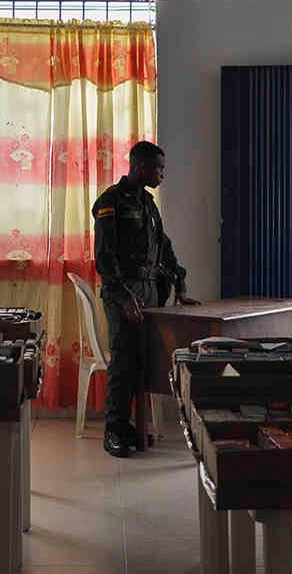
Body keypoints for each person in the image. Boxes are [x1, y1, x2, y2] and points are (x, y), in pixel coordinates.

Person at [91, 141, 199, 458]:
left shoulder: (148, 204)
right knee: (124, 360)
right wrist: (124, 298)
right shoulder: (111, 201)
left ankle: (133, 428)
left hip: (150, 292)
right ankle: (114, 431)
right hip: (124, 292)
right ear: (140, 167)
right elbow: (105, 257)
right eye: (158, 168)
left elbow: (164, 247)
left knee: (144, 361)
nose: (162, 174)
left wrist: (180, 285)